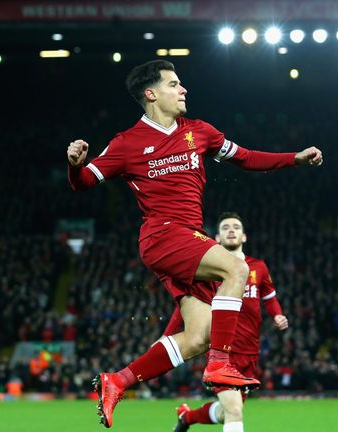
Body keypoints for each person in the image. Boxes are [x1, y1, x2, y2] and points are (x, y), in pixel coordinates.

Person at [66, 59, 322, 428]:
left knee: (199, 335)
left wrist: (293, 159)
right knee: (237, 267)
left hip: (189, 241)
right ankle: (221, 364)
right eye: (174, 84)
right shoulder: (126, 143)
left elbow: (246, 158)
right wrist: (75, 164)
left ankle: (117, 380)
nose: (183, 89)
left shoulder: (199, 132)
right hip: (163, 235)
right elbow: (84, 182)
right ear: (151, 94)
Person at [170, 212, 288, 432]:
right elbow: (184, 305)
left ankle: (188, 417)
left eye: (236, 227)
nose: (231, 230)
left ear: (244, 237)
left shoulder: (259, 267)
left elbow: (269, 297)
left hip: (249, 350)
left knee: (228, 412)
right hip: (221, 351)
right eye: (225, 228)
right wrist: (168, 335)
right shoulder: (209, 271)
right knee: (234, 411)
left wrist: (277, 315)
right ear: (216, 237)